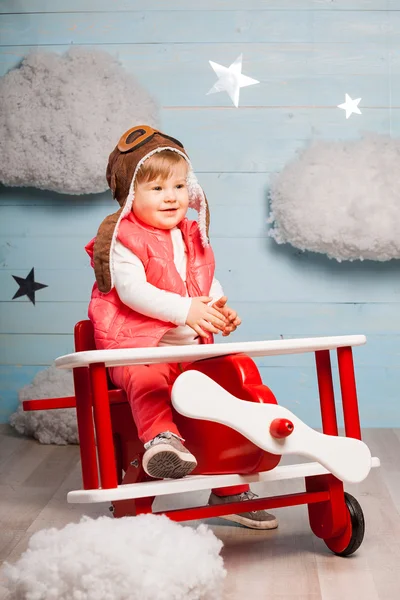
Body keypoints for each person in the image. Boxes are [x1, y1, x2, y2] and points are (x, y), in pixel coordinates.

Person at [85, 125, 278, 530]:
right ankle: (161, 442)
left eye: (178, 185)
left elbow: (207, 281)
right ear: (129, 197)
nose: (171, 196)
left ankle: (232, 480)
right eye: (156, 189)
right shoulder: (124, 239)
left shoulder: (193, 234)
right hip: (137, 347)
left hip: (190, 352)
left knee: (232, 375)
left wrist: (218, 309)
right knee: (146, 378)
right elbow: (134, 291)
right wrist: (185, 310)